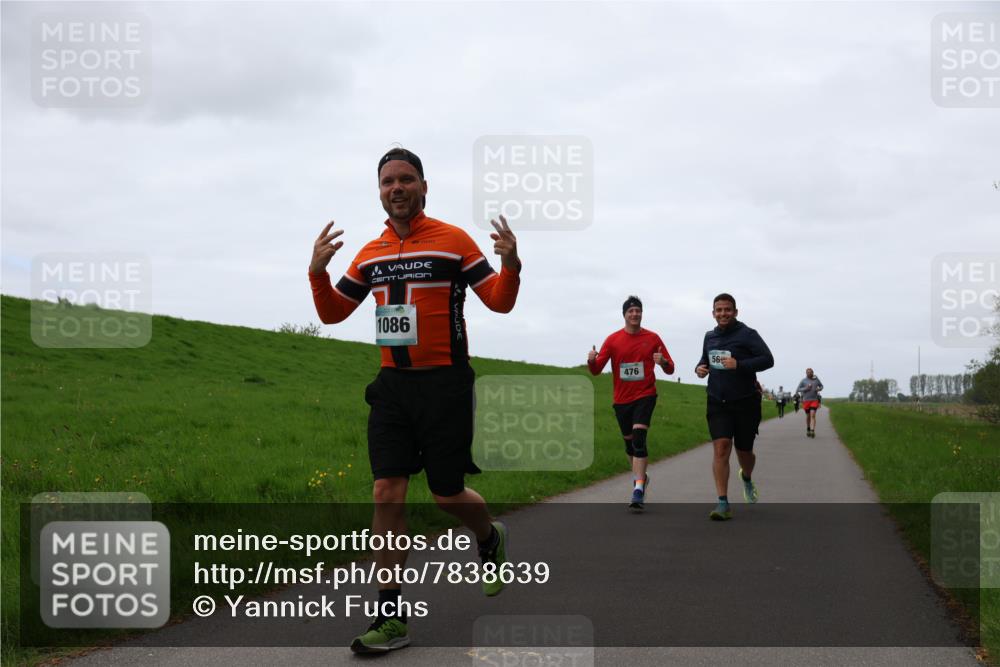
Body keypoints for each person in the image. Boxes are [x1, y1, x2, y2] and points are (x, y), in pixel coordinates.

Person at [308, 147, 522, 653]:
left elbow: (499, 300)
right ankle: (391, 617)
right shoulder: (371, 253)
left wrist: (510, 263)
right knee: (387, 494)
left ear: (424, 186)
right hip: (392, 389)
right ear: (379, 191)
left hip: (446, 385)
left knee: (447, 495)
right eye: (387, 182)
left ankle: (489, 537)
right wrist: (317, 272)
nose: (396, 188)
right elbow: (334, 313)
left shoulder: (453, 241)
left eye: (406, 179)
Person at [587, 296, 675, 511]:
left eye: (638, 311)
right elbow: (597, 370)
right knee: (629, 444)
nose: (635, 314)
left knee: (638, 438)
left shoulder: (653, 338)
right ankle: (641, 478)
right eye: (631, 311)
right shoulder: (613, 340)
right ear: (624, 314)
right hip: (622, 400)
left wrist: (662, 362)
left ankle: (637, 489)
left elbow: (670, 367)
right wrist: (591, 359)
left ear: (641, 314)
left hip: (645, 395)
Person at [694, 293, 774, 520]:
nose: (723, 314)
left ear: (735, 312)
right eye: (718, 310)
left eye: (727, 310)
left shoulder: (748, 335)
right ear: (713, 313)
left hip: (746, 401)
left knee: (744, 451)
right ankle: (722, 503)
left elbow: (768, 359)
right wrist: (699, 369)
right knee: (721, 447)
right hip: (718, 401)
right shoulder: (710, 337)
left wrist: (739, 364)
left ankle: (746, 477)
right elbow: (704, 360)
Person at [796, 368, 824, 438]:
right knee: (808, 416)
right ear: (806, 373)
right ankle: (808, 428)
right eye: (807, 372)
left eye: (810, 372)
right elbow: (798, 389)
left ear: (812, 373)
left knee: (813, 415)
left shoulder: (816, 380)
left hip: (814, 400)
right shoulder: (803, 381)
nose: (809, 373)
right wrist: (806, 388)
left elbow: (821, 386)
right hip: (806, 401)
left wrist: (819, 389)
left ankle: (812, 430)